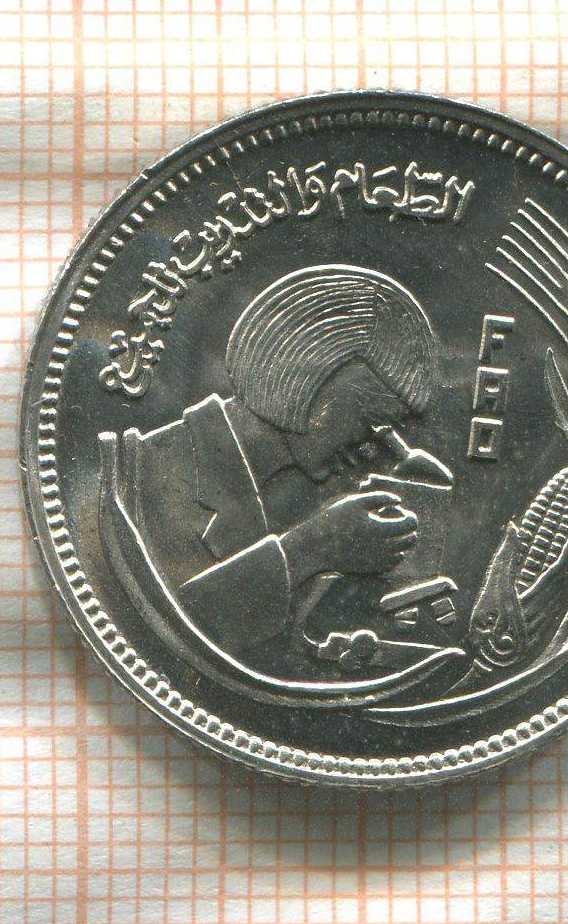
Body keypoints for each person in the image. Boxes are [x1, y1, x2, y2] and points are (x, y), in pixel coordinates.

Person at [98, 264, 440, 659]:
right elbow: (163, 630)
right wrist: (311, 549)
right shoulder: (138, 482)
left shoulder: (282, 495)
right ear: (311, 376)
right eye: (375, 420)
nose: (373, 449)